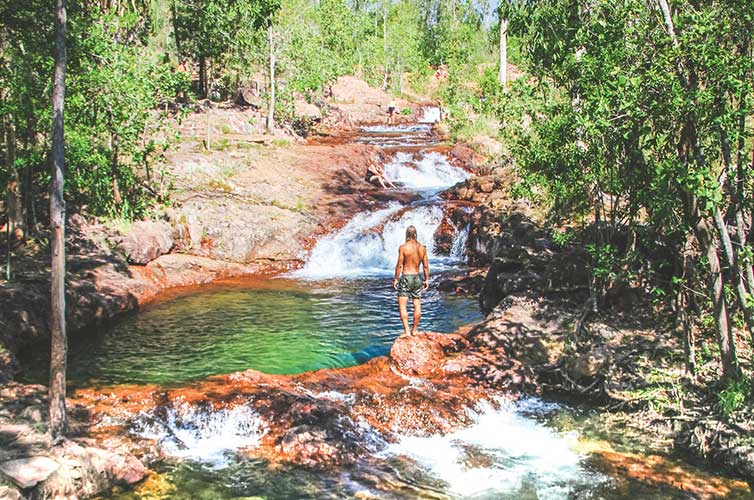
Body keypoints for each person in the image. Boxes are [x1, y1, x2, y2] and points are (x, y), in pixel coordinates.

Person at [393, 225, 429, 336]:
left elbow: (399, 265)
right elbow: (426, 266)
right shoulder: (422, 248)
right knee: (417, 304)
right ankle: (415, 330)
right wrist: (426, 279)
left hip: (406, 277)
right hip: (417, 277)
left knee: (402, 305)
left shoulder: (403, 247)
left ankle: (407, 331)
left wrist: (395, 278)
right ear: (415, 234)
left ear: (407, 234)